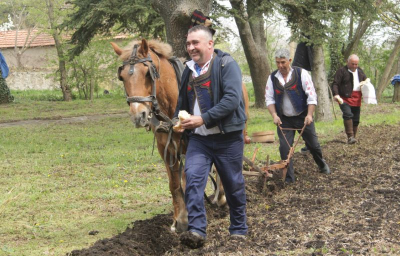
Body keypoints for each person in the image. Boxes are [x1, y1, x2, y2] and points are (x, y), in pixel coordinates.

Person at [174, 25, 248, 248]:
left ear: (209, 44)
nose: (190, 47)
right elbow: (182, 104)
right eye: (188, 44)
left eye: (195, 43)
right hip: (199, 139)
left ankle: (238, 228)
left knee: (233, 184)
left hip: (227, 138)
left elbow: (232, 100)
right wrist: (177, 124)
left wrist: (202, 118)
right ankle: (196, 231)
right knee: (193, 179)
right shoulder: (188, 70)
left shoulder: (227, 64)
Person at [265, 48, 330, 183]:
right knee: (285, 149)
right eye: (277, 63)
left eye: (283, 62)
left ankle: (321, 164)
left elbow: (311, 96)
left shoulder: (302, 74)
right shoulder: (272, 78)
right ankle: (289, 178)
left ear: (289, 60)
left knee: (313, 145)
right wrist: (274, 115)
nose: (280, 66)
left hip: (302, 116)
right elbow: (269, 99)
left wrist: (310, 115)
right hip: (284, 119)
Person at [331, 54, 367, 144]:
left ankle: (353, 137)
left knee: (356, 118)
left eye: (356, 64)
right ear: (348, 62)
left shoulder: (360, 71)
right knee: (347, 114)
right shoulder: (341, 71)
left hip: (357, 97)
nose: (354, 66)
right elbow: (335, 83)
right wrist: (335, 94)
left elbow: (365, 81)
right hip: (344, 98)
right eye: (352, 64)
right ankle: (350, 137)